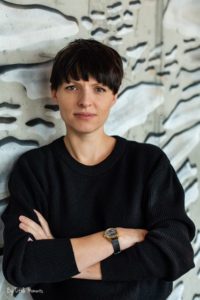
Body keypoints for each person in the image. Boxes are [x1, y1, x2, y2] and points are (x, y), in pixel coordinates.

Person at [1, 39, 195, 300]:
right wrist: (117, 238)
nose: (85, 101)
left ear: (114, 96)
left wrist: (61, 259)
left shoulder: (148, 163)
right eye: (72, 87)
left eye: (99, 89)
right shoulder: (36, 169)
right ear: (55, 92)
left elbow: (175, 254)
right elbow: (21, 266)